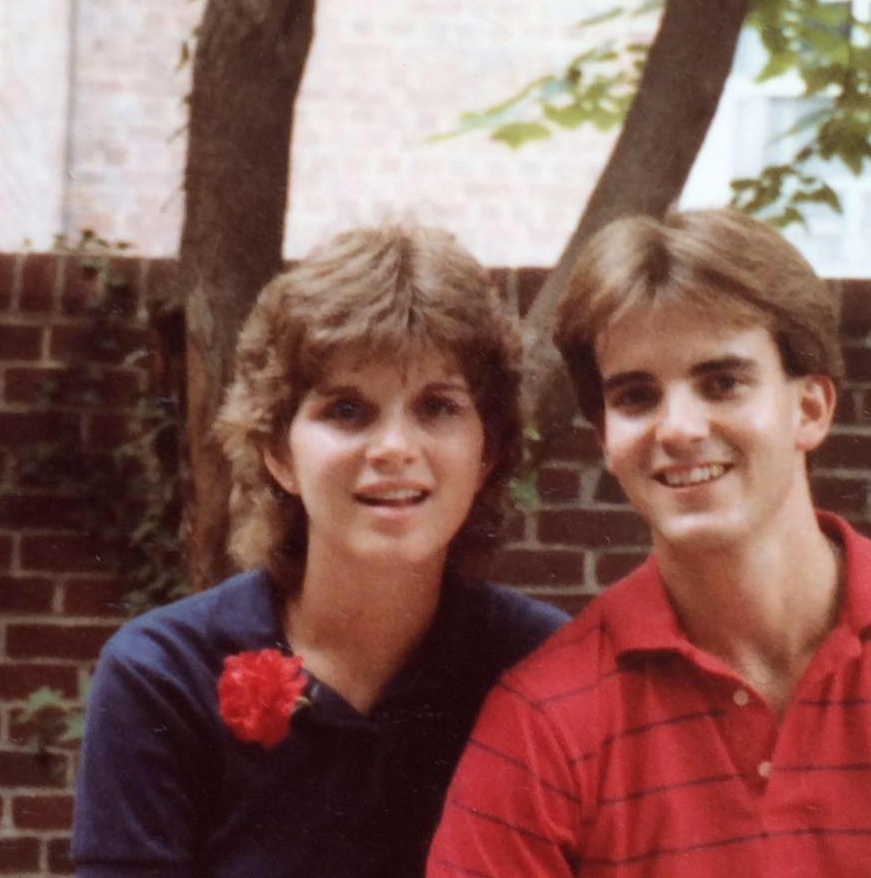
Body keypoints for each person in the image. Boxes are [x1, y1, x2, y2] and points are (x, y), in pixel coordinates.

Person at [71, 223, 568, 878]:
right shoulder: (162, 678)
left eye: (437, 407)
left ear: (489, 451)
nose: (394, 447)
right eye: (347, 410)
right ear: (278, 451)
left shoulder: (545, 670)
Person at [427, 209, 871, 877]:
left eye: (722, 382)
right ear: (606, 438)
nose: (680, 427)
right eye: (637, 396)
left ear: (809, 409)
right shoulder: (543, 724)